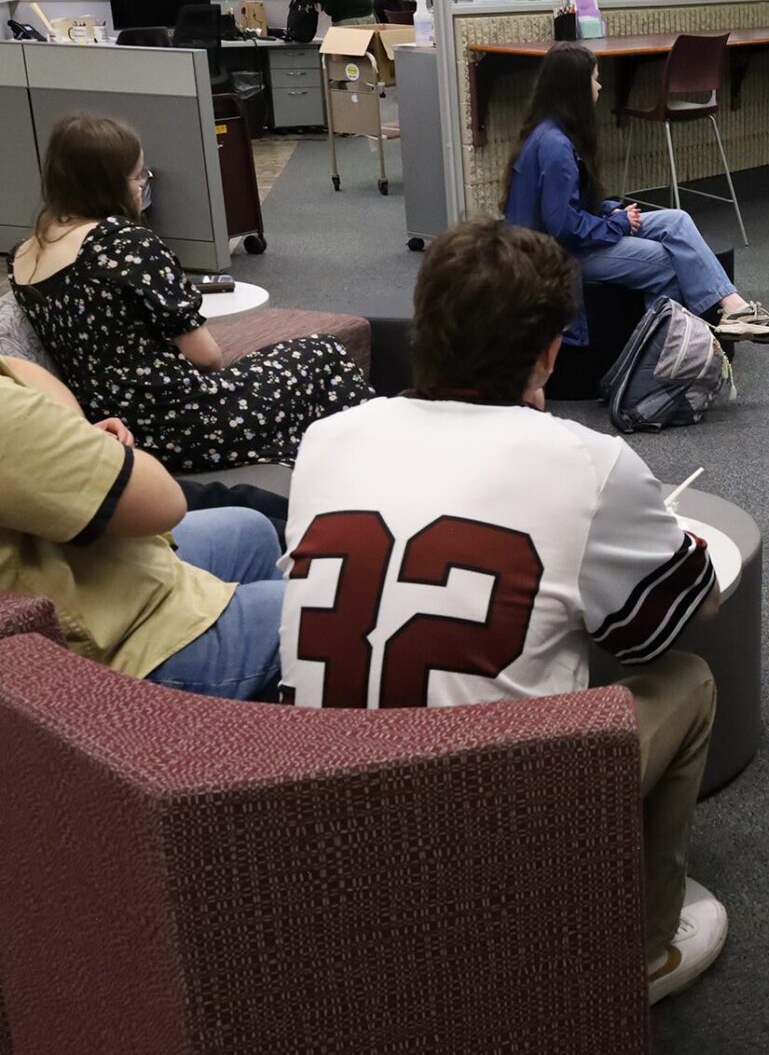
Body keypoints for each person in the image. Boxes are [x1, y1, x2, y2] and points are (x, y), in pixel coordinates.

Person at [279, 220, 727, 1001]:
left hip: (319, 812)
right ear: (549, 352)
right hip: (485, 825)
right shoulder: (586, 458)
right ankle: (644, 950)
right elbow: (668, 621)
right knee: (689, 682)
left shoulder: (326, 439)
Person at [7, 114, 372, 474]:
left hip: (115, 426)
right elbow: (207, 358)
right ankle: (360, 463)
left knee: (279, 364)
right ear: (108, 183)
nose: (142, 187)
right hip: (184, 423)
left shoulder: (24, 253)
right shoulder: (122, 242)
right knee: (323, 353)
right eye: (138, 177)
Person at [0, 355, 284, 701]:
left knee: (250, 528)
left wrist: (75, 439)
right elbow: (164, 503)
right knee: (329, 611)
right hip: (113, 648)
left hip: (71, 570)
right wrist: (88, 444)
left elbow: (20, 368)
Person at [500, 44, 769, 346]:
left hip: (560, 242)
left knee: (676, 220)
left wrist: (611, 211)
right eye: (595, 78)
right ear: (575, 87)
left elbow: (566, 205)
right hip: (557, 256)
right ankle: (662, 355)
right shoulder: (556, 147)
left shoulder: (549, 132)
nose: (600, 86)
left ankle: (734, 308)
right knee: (667, 261)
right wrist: (618, 224)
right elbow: (563, 226)